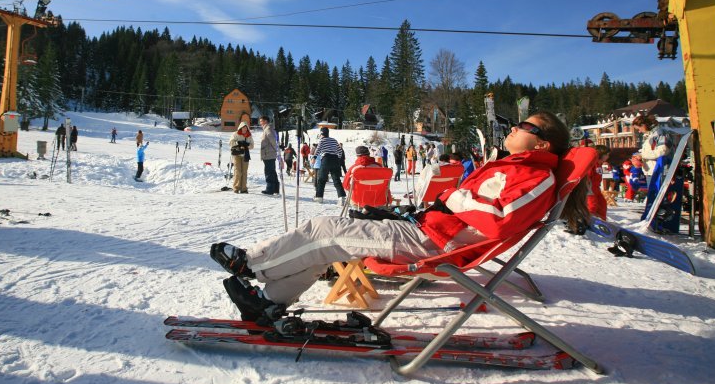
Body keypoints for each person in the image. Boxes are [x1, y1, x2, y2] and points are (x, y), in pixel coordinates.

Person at [210, 111, 589, 321]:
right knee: (328, 238)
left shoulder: (537, 176)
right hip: (428, 230)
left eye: (527, 126)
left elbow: (499, 219)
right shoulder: (518, 166)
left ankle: (252, 265)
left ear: (542, 143)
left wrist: (455, 198)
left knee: (326, 229)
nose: (517, 126)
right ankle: (269, 300)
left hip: (435, 243)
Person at [312, 127, 346, 204]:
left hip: (326, 159)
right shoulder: (334, 140)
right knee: (336, 180)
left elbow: (318, 149)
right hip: (335, 160)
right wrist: (338, 158)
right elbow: (340, 150)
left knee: (321, 179)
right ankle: (341, 198)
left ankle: (319, 197)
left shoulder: (322, 140)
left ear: (321, 134)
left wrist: (314, 157)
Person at [587, 145, 610, 221]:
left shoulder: (601, 164)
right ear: (601, 154)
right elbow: (588, 177)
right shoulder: (593, 163)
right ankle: (587, 220)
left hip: (596, 188)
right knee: (592, 205)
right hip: (589, 188)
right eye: (607, 154)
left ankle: (601, 221)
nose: (608, 156)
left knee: (602, 204)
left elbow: (605, 175)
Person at [229, 122, 254, 193]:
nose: (244, 129)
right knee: (238, 171)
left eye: (246, 128)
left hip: (245, 155)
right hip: (237, 155)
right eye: (243, 127)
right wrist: (239, 144)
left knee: (244, 172)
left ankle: (243, 188)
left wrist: (246, 146)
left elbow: (252, 145)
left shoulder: (249, 135)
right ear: (240, 127)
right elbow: (231, 143)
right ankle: (236, 187)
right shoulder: (235, 134)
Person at [259, 116, 279, 196]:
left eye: (261, 121)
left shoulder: (268, 129)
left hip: (268, 154)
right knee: (272, 171)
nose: (260, 123)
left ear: (266, 121)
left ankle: (270, 189)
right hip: (269, 153)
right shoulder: (268, 129)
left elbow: (273, 140)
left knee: (269, 172)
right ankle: (275, 189)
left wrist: (275, 149)